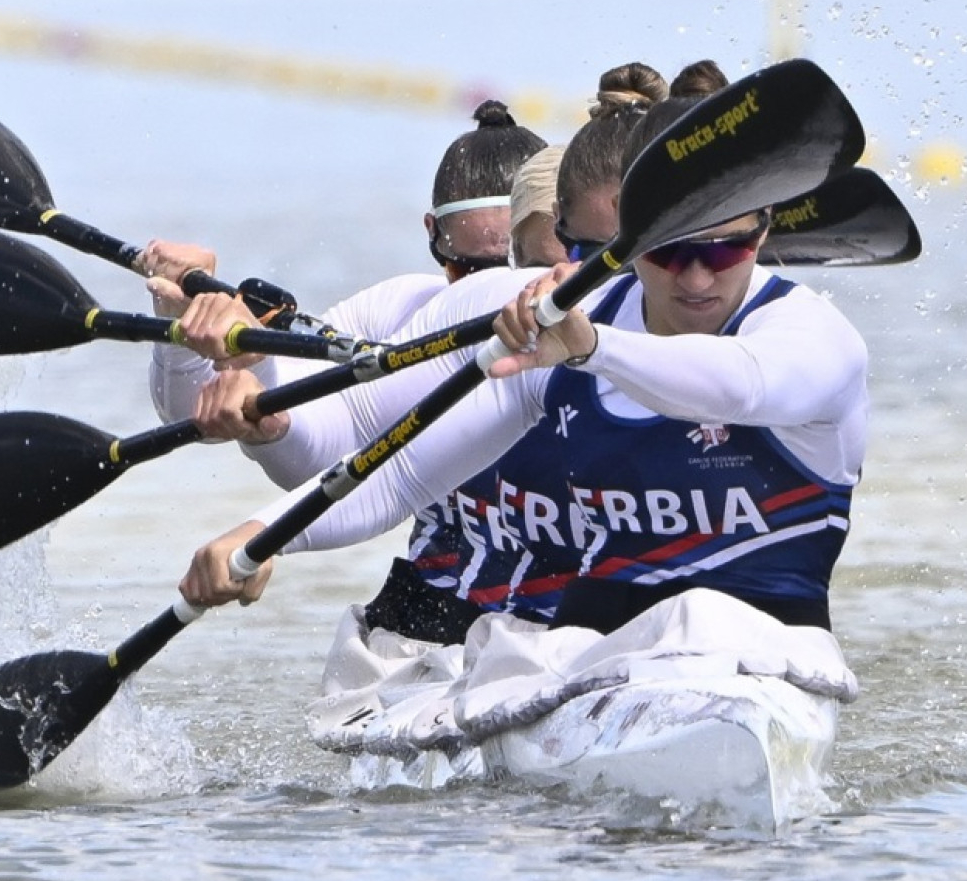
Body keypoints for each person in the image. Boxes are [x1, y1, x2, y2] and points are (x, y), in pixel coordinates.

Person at [178, 85, 869, 642]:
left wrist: (593, 349)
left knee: (703, 619)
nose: (695, 279)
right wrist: (261, 536)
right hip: (600, 655)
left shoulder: (812, 335)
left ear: (765, 230)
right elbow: (400, 478)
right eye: (667, 250)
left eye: (724, 250)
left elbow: (743, 387)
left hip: (773, 649)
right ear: (629, 239)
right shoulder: (545, 322)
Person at [190, 62, 673, 642]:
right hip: (462, 614)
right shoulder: (501, 329)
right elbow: (385, 473)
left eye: (610, 255)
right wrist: (260, 525)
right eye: (564, 255)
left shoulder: (765, 329)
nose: (561, 286)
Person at [143, 100, 545, 421]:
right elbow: (195, 416)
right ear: (432, 236)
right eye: (471, 270)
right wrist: (182, 329)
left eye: (516, 269)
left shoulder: (601, 326)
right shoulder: (396, 312)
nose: (489, 294)